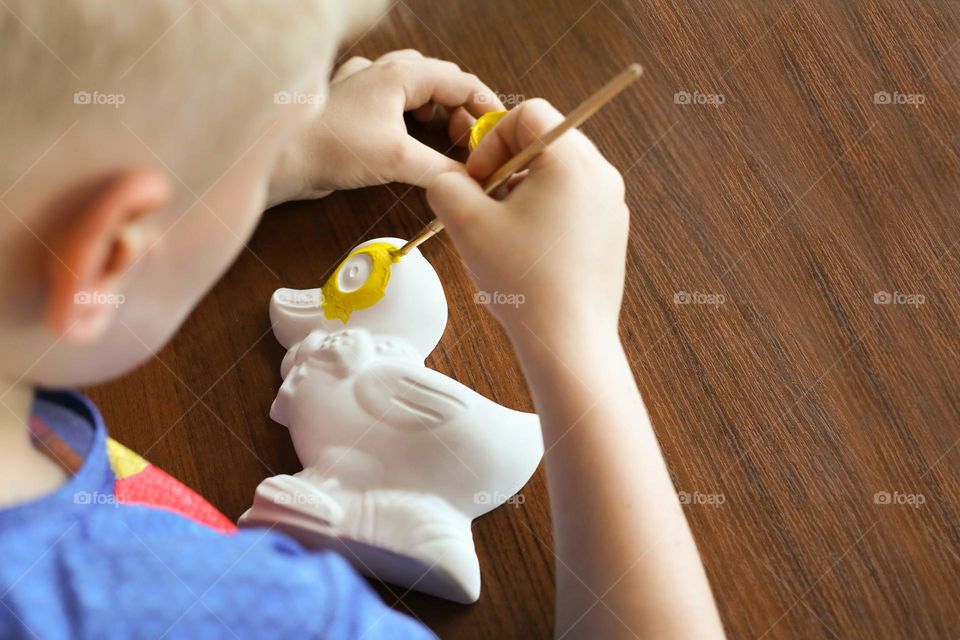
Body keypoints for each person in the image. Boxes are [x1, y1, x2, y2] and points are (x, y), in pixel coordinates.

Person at [0, 1, 723, 638]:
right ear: (100, 258)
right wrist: (577, 339)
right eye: (258, 167)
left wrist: (258, 156)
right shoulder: (249, 612)